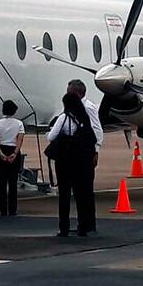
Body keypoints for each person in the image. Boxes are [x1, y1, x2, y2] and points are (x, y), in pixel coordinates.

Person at [46, 92, 96, 237]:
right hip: (81, 161)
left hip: (65, 160)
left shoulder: (64, 117)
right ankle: (83, 226)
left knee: (64, 194)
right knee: (81, 194)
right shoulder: (84, 118)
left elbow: (51, 136)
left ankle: (64, 228)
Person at [66, 79, 103, 234]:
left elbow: (97, 129)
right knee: (81, 191)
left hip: (86, 153)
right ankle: (85, 223)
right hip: (77, 153)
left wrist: (96, 150)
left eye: (69, 92)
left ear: (77, 93)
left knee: (86, 190)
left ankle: (89, 224)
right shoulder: (73, 108)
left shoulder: (88, 107)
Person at [0, 100, 25, 216]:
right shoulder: (19, 124)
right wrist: (15, 153)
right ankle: (13, 209)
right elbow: (19, 139)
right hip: (13, 150)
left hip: (2, 150)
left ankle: (3, 210)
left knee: (1, 182)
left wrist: (0, 154)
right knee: (13, 183)